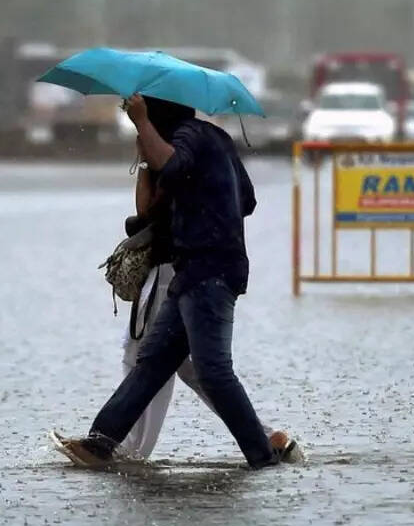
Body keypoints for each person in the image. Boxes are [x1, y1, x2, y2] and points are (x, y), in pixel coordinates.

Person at [55, 95, 287, 470]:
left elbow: (172, 165)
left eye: (147, 112)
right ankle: (99, 444)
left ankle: (263, 456)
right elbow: (246, 200)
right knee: (153, 362)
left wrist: (142, 123)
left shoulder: (189, 137)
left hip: (210, 271)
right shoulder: (213, 140)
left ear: (158, 113)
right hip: (194, 269)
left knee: (212, 371)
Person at [113, 147, 301, 462]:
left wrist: (144, 159)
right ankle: (267, 436)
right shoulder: (198, 152)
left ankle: (127, 448)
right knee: (191, 366)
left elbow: (146, 212)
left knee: (143, 355)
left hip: (171, 271)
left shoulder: (170, 156)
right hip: (187, 268)